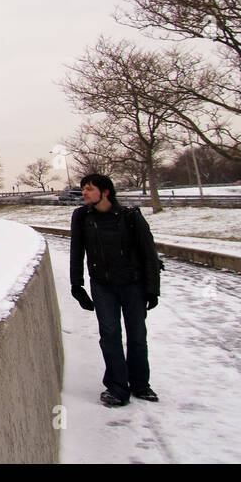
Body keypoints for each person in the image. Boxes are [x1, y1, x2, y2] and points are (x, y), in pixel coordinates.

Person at [69, 172, 162, 407]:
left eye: (89, 188)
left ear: (105, 191)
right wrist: (77, 285)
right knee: (109, 335)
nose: (84, 193)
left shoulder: (130, 217)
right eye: (84, 189)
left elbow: (149, 253)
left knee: (137, 335)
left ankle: (140, 384)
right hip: (102, 286)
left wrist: (152, 289)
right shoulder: (81, 217)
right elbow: (76, 252)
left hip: (133, 284)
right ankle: (117, 387)